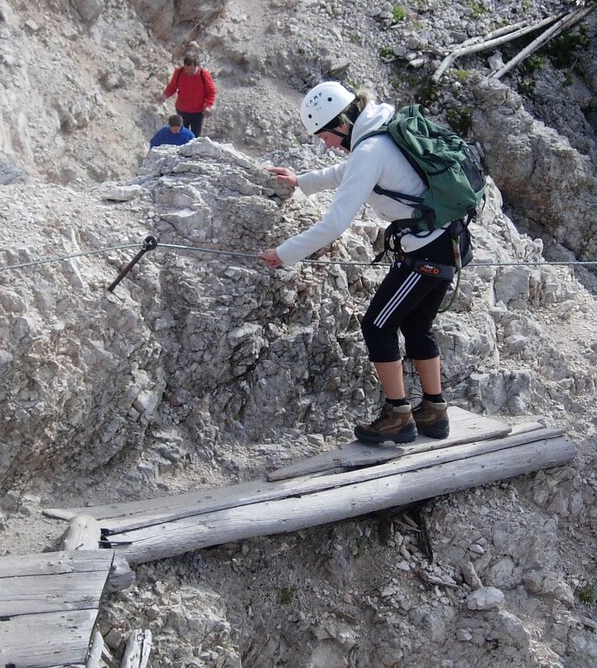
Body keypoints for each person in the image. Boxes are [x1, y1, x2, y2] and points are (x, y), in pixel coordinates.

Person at [259, 81, 471, 444]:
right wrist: (302, 182)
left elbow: (334, 223)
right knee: (417, 326)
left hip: (424, 253)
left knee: (377, 326)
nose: (323, 144)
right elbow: (348, 174)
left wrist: (284, 254)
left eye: (324, 135)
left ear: (342, 123)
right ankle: (434, 412)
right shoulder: (381, 129)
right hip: (447, 242)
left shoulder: (369, 149)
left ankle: (398, 416)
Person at [158, 54, 216, 136]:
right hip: (182, 110)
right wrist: (165, 96)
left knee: (194, 137)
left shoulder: (203, 74)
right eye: (186, 69)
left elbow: (211, 91)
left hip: (197, 112)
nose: (188, 72)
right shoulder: (179, 72)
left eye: (191, 69)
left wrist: (208, 105)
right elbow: (172, 87)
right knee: (180, 135)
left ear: (196, 66)